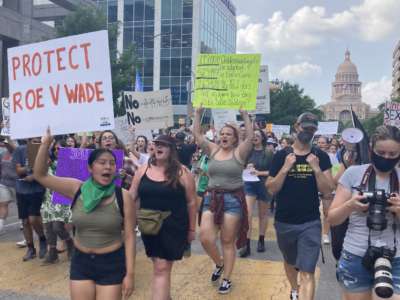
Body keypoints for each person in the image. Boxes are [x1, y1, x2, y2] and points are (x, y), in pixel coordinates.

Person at [33, 129, 135, 300]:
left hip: (111, 263)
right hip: (81, 262)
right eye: (102, 162)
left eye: (112, 163)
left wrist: (130, 274)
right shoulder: (76, 189)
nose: (108, 167)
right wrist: (45, 144)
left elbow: (130, 236)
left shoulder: (123, 196)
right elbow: (40, 175)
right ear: (90, 167)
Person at [266, 112, 334, 300]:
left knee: (307, 270)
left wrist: (317, 168)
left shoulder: (321, 156)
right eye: (305, 128)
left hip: (310, 222)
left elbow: (328, 190)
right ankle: (295, 289)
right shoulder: (281, 156)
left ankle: (301, 292)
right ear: (297, 127)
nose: (308, 132)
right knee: (289, 261)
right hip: (284, 221)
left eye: (312, 129)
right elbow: (271, 189)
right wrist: (285, 168)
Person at [328, 125, 400, 300]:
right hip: (356, 255)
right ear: (370, 150)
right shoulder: (353, 174)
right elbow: (332, 219)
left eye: (392, 155)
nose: (386, 158)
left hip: (395, 257)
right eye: (381, 152)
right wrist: (351, 205)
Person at [193, 106, 253, 294]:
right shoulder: (212, 149)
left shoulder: (239, 152)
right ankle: (219, 263)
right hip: (211, 197)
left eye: (229, 134)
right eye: (222, 133)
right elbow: (197, 135)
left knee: (227, 241)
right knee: (205, 237)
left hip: (233, 200)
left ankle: (226, 278)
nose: (225, 136)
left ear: (235, 138)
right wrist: (197, 113)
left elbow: (250, 137)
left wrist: (244, 115)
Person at [129, 134, 196, 300]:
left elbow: (192, 203)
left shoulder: (183, 172)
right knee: (160, 266)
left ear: (171, 150)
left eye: (163, 145)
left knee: (161, 268)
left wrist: (192, 229)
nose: (158, 147)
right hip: (149, 226)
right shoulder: (142, 169)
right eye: (156, 144)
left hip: (173, 226)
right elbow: (132, 196)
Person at [240, 129, 273, 257]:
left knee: (262, 214)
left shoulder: (269, 152)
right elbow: (240, 166)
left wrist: (259, 173)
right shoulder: (247, 152)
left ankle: (261, 239)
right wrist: (246, 168)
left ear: (262, 138)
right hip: (249, 184)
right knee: (247, 214)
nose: (255, 137)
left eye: (257, 135)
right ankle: (246, 244)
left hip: (264, 185)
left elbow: (273, 171)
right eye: (253, 135)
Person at [12, 138, 48, 261]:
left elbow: (46, 169)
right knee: (25, 221)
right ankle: (31, 248)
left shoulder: (43, 149)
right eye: (33, 140)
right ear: (28, 140)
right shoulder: (19, 150)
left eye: (38, 140)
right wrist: (29, 167)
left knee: (33, 218)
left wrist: (34, 176)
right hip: (21, 189)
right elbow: (18, 170)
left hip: (37, 189)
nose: (36, 142)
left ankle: (43, 239)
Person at [40, 139, 74, 265]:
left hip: (62, 198)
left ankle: (70, 243)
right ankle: (53, 253)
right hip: (48, 198)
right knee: (48, 227)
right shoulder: (49, 163)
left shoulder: (69, 164)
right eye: (55, 149)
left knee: (57, 227)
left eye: (60, 149)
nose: (57, 151)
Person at [0, 137, 17, 234]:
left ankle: (24, 223)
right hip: (4, 183)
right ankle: (0, 226)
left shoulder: (19, 153)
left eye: (8, 143)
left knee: (20, 205)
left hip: (17, 183)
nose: (6, 144)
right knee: (3, 203)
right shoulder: (2, 154)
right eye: (5, 143)